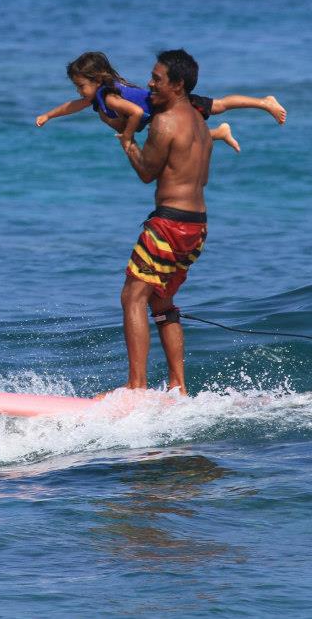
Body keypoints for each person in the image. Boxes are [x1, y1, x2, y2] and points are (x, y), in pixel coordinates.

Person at [101, 49, 217, 397]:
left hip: (169, 226)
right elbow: (203, 178)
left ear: (177, 85)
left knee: (132, 296)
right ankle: (178, 387)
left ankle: (136, 387)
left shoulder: (166, 122)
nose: (150, 84)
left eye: (157, 79)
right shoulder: (199, 123)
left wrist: (127, 142)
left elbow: (147, 173)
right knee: (160, 302)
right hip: (196, 227)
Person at [36, 51, 286, 153]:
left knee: (219, 106)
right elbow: (72, 105)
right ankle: (219, 133)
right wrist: (48, 115)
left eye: (81, 86)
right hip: (158, 114)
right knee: (180, 138)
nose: (79, 92)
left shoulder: (109, 97)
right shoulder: (99, 98)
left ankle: (264, 102)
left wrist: (127, 136)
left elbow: (134, 112)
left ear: (97, 80)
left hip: (169, 103)